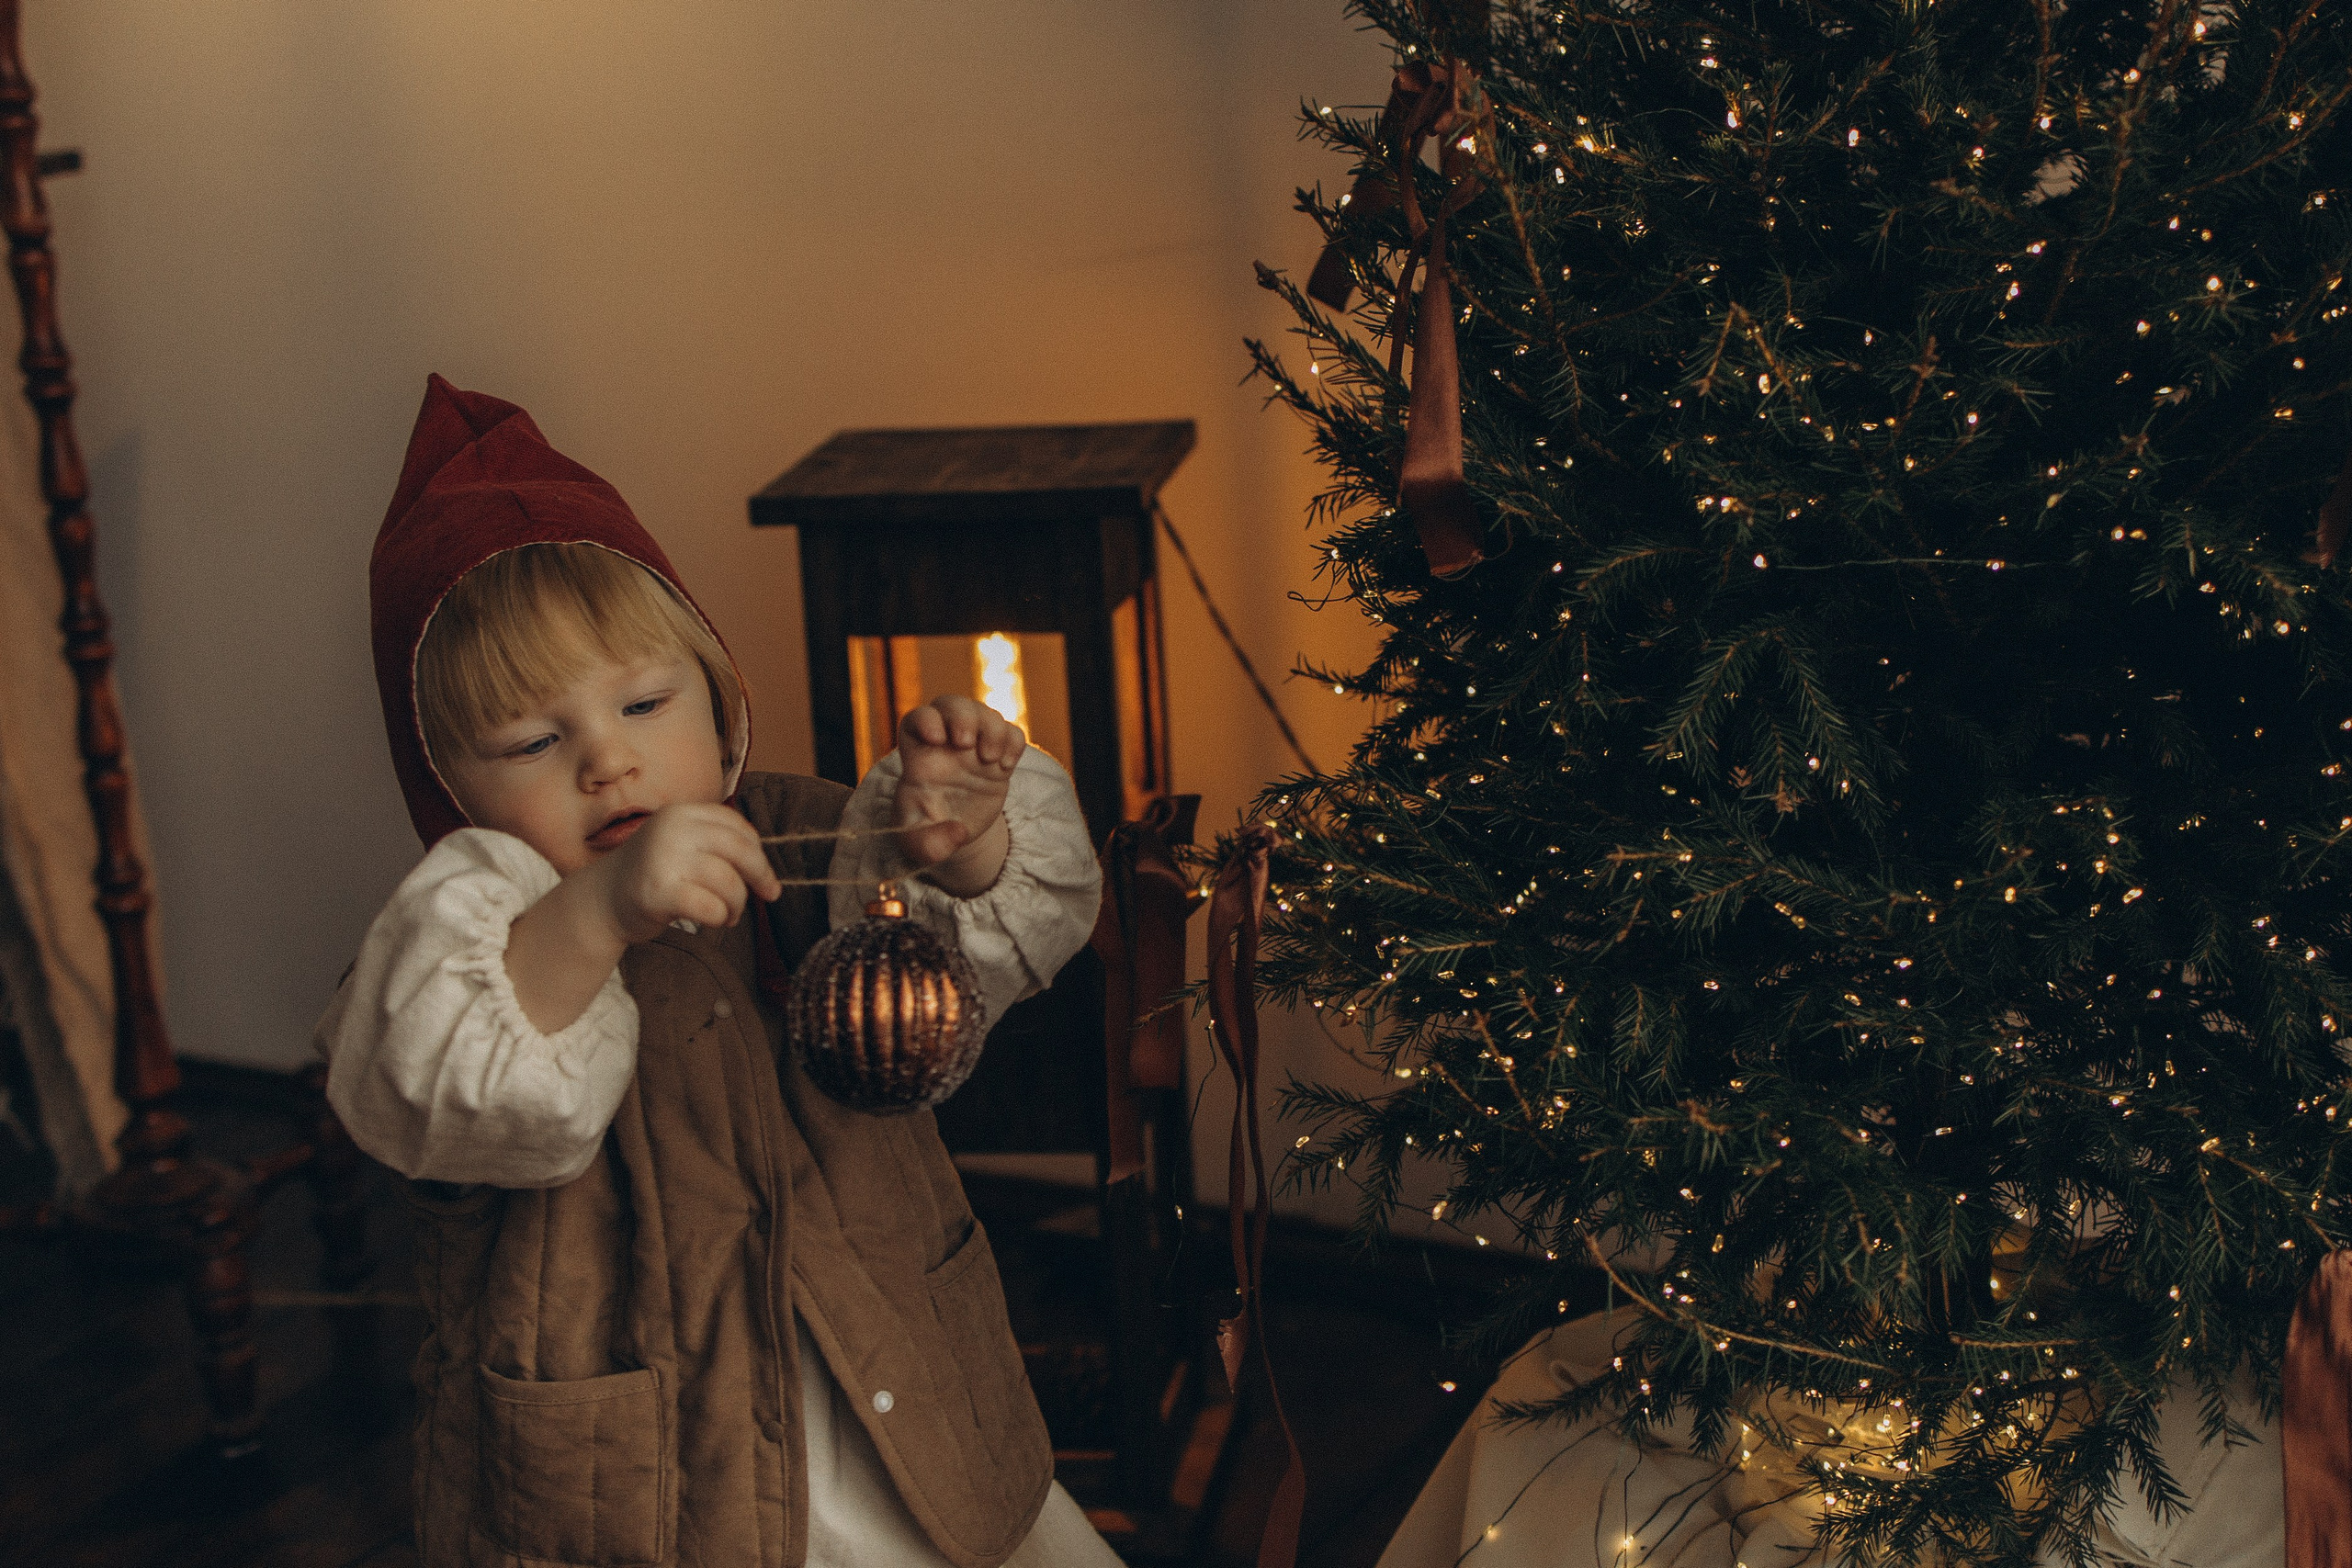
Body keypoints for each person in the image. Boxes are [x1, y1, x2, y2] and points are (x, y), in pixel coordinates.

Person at [317, 375, 1116, 1568]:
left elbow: (973, 951)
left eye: (645, 703)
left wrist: (967, 843)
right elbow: (434, 1084)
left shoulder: (805, 838)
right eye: (534, 742)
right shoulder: (469, 944)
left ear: (718, 691)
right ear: (448, 786)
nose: (608, 762)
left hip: (895, 1387)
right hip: (644, 1474)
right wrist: (593, 917)